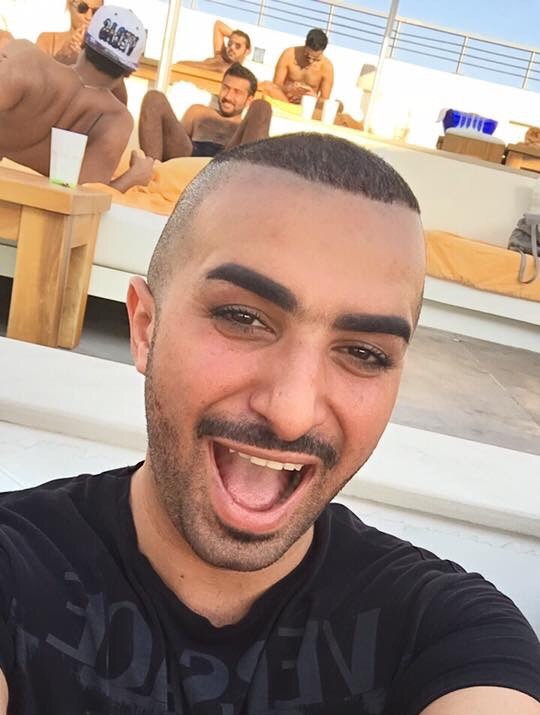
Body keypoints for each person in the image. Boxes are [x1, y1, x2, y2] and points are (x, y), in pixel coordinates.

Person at [1, 132, 540, 713]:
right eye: (242, 318)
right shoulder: (16, 565)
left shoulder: (446, 629)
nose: (290, 413)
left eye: (363, 353)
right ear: (145, 327)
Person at [0, 6, 153, 191]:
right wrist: (134, 177)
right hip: (35, 204)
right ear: (130, 71)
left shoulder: (27, 60)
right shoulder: (117, 121)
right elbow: (88, 194)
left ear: (83, 40)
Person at [139, 63, 271, 160]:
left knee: (262, 107)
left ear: (249, 99)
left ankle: (248, 187)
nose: (228, 96)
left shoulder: (247, 129)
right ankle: (150, 170)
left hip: (226, 166)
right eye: (225, 88)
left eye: (237, 92)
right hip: (189, 158)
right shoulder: (198, 112)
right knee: (154, 98)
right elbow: (176, 143)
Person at [36, 0, 128, 105]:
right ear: (70, 5)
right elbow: (35, 83)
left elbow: (121, 102)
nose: (89, 17)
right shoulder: (49, 40)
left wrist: (109, 62)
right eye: (83, 8)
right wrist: (62, 55)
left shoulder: (103, 51)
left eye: (96, 11)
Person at [260, 28, 334, 104]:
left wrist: (313, 97)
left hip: (306, 106)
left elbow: (325, 101)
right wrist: (289, 88)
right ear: (305, 44)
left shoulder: (327, 67)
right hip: (284, 100)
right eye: (308, 56)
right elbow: (276, 84)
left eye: (316, 59)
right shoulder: (289, 54)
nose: (311, 61)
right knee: (266, 85)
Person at [177, 19, 251, 73]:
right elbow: (218, 25)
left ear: (246, 52)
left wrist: (179, 63)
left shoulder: (226, 68)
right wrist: (236, 37)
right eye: (229, 43)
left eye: (238, 46)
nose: (231, 47)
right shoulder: (221, 56)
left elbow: (181, 65)